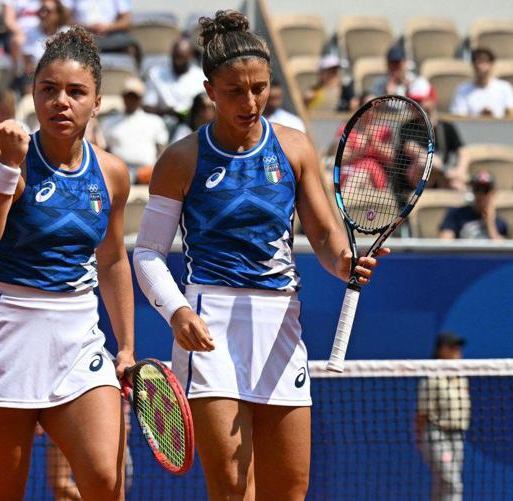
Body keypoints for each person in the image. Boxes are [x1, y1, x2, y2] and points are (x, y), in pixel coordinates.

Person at [132, 10, 388, 500]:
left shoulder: (294, 149)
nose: (251, 101)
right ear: (210, 90)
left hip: (280, 326)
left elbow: (324, 235)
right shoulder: (181, 159)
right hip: (210, 324)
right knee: (232, 489)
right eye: (235, 91)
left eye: (260, 88)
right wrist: (177, 309)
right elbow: (146, 253)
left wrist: (345, 264)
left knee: (290, 490)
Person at [0, 27, 135, 500]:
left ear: (97, 101)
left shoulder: (112, 173)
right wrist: (7, 171)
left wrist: (125, 346)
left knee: (106, 481)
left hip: (78, 336)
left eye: (75, 91)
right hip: (7, 334)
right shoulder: (0, 160)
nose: (61, 101)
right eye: (49, 89)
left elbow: (112, 260)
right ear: (34, 95)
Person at [415, 331, 470, 501]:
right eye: (452, 347)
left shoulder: (461, 377)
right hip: (436, 435)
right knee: (452, 482)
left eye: (458, 347)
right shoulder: (432, 379)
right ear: (441, 350)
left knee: (443, 483)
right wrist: (420, 439)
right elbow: (421, 414)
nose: (457, 351)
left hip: (458, 435)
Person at [401, 79, 467, 190]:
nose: (417, 105)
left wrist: (459, 170)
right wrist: (445, 170)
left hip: (442, 179)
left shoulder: (446, 127)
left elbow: (464, 152)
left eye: (421, 100)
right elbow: (411, 149)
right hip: (417, 182)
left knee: (458, 186)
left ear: (432, 99)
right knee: (425, 160)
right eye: (414, 101)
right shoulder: (408, 127)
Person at [101, 76, 168, 183]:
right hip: (118, 171)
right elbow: (105, 151)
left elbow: (162, 150)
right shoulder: (109, 122)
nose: (131, 100)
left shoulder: (155, 121)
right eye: (128, 96)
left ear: (141, 98)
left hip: (146, 172)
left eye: (134, 97)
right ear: (123, 97)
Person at [142, 35, 207, 120]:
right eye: (175, 57)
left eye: (181, 57)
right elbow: (148, 106)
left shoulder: (200, 77)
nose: (178, 62)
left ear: (190, 56)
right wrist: (167, 112)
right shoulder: (156, 74)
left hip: (192, 122)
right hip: (164, 120)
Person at [439, 170, 508, 240]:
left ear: (493, 193)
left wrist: (490, 224)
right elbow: (445, 244)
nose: (480, 194)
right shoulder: (455, 214)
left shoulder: (500, 223)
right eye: (477, 188)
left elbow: (500, 249)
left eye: (485, 189)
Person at [20, 0, 69, 94]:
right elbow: (28, 66)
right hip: (37, 81)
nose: (43, 14)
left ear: (58, 14)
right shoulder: (30, 33)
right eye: (41, 11)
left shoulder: (67, 34)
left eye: (48, 11)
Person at [450, 47, 513, 118]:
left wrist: (493, 118)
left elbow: (511, 114)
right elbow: (458, 117)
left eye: (486, 61)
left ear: (492, 65)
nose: (482, 66)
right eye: (479, 62)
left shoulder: (505, 87)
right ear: (473, 65)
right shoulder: (462, 90)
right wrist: (480, 117)